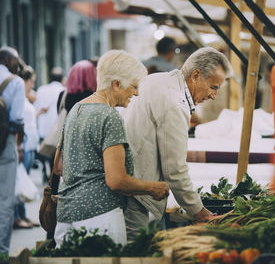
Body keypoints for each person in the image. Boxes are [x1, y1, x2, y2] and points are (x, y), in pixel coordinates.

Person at [54, 50, 170, 247]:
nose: (136, 93)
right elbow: (116, 180)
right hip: (100, 217)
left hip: (66, 214)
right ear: (116, 84)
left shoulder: (76, 109)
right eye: (133, 86)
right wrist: (152, 187)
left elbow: (59, 167)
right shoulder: (109, 116)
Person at [123, 47, 232, 240]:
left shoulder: (160, 80)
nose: (214, 96)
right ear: (196, 75)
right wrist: (199, 212)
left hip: (131, 185)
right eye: (213, 87)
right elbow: (174, 169)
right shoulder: (175, 102)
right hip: (137, 196)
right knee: (137, 253)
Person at [0, 46, 25, 255]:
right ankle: (1, 251)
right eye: (16, 61)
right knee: (5, 200)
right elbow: (17, 118)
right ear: (8, 61)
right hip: (4, 143)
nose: (18, 65)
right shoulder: (15, 82)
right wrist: (19, 143)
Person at [12, 66, 40, 229]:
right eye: (32, 81)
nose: (32, 84)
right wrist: (19, 146)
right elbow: (18, 123)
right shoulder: (18, 97)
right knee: (18, 182)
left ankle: (22, 215)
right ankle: (17, 217)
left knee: (23, 180)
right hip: (23, 145)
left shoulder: (25, 97)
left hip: (29, 145)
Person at [34, 67, 65, 182]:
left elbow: (37, 107)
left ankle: (45, 171)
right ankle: (52, 176)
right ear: (62, 79)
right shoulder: (63, 90)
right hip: (56, 129)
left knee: (44, 151)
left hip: (43, 128)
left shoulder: (41, 90)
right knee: (55, 155)